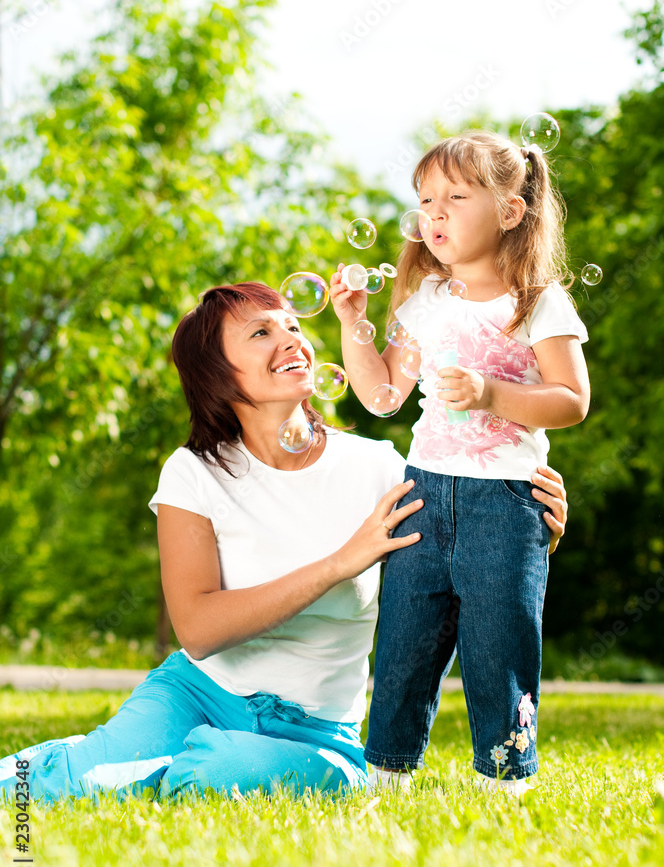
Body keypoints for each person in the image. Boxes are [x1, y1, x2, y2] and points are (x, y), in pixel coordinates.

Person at [0, 279, 569, 804]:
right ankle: (94, 759)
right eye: (260, 333)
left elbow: (455, 570)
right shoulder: (193, 472)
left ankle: (168, 762)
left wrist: (521, 530)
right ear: (218, 373)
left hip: (319, 732)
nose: (291, 339)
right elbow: (198, 629)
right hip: (195, 694)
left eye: (293, 326)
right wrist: (338, 565)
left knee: (210, 778)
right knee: (84, 781)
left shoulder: (380, 468)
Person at [330, 130, 590, 794]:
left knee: (500, 644)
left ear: (510, 211)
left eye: (455, 197)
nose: (434, 213)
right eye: (425, 200)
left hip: (505, 499)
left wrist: (491, 393)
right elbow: (383, 395)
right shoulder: (427, 300)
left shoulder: (538, 301)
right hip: (424, 490)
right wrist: (353, 324)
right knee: (404, 643)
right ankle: (386, 774)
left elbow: (572, 400)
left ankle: (504, 777)